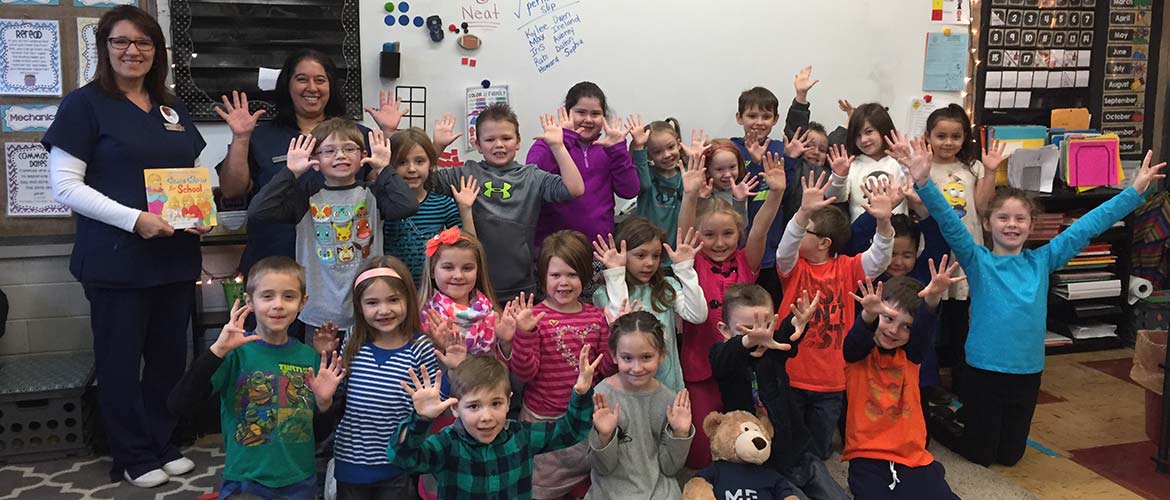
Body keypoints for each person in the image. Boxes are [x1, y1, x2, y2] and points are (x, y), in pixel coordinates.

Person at [908, 139, 1166, 467]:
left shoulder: (1042, 260)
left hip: (1027, 372)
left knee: (1010, 457)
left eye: (1019, 219)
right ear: (988, 224)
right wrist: (924, 181)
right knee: (981, 455)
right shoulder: (978, 260)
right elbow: (949, 222)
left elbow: (1087, 227)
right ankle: (940, 419)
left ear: (1031, 226)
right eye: (1003, 218)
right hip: (982, 371)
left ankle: (976, 425)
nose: (1011, 225)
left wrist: (1134, 191)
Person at [43, 5, 207, 487]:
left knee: (167, 359)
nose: (133, 51)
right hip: (116, 260)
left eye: (144, 43)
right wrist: (135, 220)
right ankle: (132, 454)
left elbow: (187, 179)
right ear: (105, 48)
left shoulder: (169, 108)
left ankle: (162, 441)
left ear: (157, 52)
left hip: (174, 259)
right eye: (121, 42)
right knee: (119, 360)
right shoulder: (83, 104)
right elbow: (65, 187)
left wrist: (194, 214)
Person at [215, 50, 441, 289]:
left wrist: (387, 135)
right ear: (287, 85)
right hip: (274, 265)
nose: (311, 87)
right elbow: (232, 191)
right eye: (302, 79)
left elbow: (381, 191)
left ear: (331, 86)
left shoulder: (357, 137)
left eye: (320, 80)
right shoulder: (262, 137)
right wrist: (241, 137)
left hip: (341, 269)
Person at [168, 256, 345, 499]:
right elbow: (179, 404)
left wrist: (324, 405)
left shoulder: (310, 358)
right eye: (267, 296)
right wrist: (217, 350)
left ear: (303, 302)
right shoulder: (235, 354)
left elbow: (319, 433)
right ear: (249, 300)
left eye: (289, 296)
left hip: (299, 481)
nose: (278, 305)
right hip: (245, 482)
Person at [246, 118, 418, 333]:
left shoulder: (373, 194)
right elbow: (258, 213)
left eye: (349, 149)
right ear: (315, 161)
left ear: (363, 156)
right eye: (329, 151)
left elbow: (408, 206)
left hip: (369, 310)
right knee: (323, 367)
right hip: (319, 313)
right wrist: (291, 172)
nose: (340, 155)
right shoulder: (305, 197)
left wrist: (384, 167)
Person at [774, 172, 896, 461]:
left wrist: (884, 222)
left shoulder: (847, 268)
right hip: (791, 375)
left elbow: (879, 258)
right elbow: (785, 247)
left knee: (818, 450)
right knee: (786, 446)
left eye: (807, 230)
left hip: (831, 382)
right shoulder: (794, 268)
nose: (799, 232)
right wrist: (803, 213)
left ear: (823, 242)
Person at [676, 151, 786, 469]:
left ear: (738, 235)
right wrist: (689, 195)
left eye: (728, 234)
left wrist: (776, 194)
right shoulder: (692, 262)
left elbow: (760, 231)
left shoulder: (745, 261)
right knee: (700, 455)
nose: (720, 242)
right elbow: (684, 235)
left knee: (745, 446)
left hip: (742, 371)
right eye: (709, 235)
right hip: (701, 368)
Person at [387, 350, 601, 500]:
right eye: (473, 407)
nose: (486, 416)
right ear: (455, 409)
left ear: (509, 402)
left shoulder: (520, 435)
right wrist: (420, 419)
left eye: (496, 403)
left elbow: (571, 431)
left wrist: (581, 394)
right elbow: (401, 458)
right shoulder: (446, 444)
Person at [427, 104, 585, 302]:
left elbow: (575, 189)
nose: (499, 144)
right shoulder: (465, 173)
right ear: (477, 144)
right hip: (473, 287)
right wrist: (437, 147)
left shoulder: (532, 176)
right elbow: (422, 181)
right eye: (490, 139)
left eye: (506, 138)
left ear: (518, 141)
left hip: (521, 288)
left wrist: (558, 147)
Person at [331, 257, 459, 498]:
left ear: (408, 301)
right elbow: (337, 392)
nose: (384, 310)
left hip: (398, 464)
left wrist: (452, 370)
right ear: (359, 306)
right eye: (372, 302)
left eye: (393, 299)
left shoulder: (420, 346)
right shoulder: (354, 338)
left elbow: (437, 401)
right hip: (350, 462)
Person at [709, 286, 848, 500]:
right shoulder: (724, 357)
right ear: (725, 330)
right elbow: (722, 360)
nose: (761, 335)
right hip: (758, 463)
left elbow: (786, 338)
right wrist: (747, 342)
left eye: (766, 327)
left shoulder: (772, 352)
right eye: (748, 329)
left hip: (796, 450)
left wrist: (797, 322)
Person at [508, 230, 618, 498]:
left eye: (572, 274)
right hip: (542, 420)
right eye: (555, 275)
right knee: (542, 488)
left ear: (585, 276)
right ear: (543, 277)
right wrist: (523, 333)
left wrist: (617, 332)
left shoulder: (596, 316)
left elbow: (608, 370)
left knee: (586, 481)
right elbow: (524, 372)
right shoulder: (534, 317)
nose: (564, 282)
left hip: (583, 419)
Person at [842, 271, 962, 499]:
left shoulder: (911, 356)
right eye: (888, 318)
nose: (894, 330)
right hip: (868, 457)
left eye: (907, 326)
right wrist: (868, 316)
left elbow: (924, 331)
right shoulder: (857, 356)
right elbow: (853, 344)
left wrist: (933, 298)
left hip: (914, 456)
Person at [729, 68, 817, 303]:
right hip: (735, 250)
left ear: (775, 119)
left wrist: (800, 98)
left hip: (772, 251)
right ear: (739, 117)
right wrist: (754, 164)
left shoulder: (780, 149)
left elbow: (787, 191)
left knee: (771, 309)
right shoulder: (731, 149)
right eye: (752, 116)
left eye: (766, 117)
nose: (759, 122)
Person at [585, 312, 694, 500]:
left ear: (661, 355)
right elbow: (603, 468)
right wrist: (604, 437)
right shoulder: (602, 396)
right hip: (611, 492)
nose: (636, 368)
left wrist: (680, 434)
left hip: (660, 491)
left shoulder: (668, 399)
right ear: (614, 356)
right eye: (627, 358)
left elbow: (670, 468)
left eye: (646, 357)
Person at [592, 218, 709, 392]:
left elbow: (697, 315)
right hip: (629, 389)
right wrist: (615, 273)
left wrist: (685, 269)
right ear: (622, 255)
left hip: (669, 387)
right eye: (640, 255)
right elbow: (622, 326)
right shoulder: (605, 294)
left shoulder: (666, 286)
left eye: (656, 256)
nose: (649, 263)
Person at [529, 82, 640, 244]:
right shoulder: (546, 145)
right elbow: (534, 182)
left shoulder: (607, 150)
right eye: (581, 112)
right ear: (567, 113)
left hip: (600, 248)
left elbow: (630, 191)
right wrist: (563, 142)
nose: (588, 120)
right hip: (557, 249)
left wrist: (618, 152)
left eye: (595, 114)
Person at [383, 123, 478, 286]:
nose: (411, 169)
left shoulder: (444, 205)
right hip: (394, 289)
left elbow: (470, 248)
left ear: (431, 164)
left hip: (433, 292)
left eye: (420, 161)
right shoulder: (382, 204)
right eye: (402, 162)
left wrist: (465, 209)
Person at [418, 228, 510, 356]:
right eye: (448, 267)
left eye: (467, 268)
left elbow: (504, 369)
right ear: (432, 271)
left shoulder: (492, 314)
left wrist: (506, 343)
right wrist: (440, 347)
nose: (458, 275)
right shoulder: (425, 317)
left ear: (478, 272)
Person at [624, 117, 706, 250]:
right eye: (657, 152)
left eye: (671, 147)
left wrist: (695, 158)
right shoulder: (647, 174)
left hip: (677, 248)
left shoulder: (685, 176)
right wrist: (638, 147)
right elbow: (644, 185)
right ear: (649, 155)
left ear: (679, 144)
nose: (667, 155)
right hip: (648, 249)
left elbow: (699, 200)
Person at [824, 103, 908, 221]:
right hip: (863, 234)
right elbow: (833, 197)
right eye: (857, 135)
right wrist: (839, 177)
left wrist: (908, 164)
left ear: (883, 130)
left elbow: (917, 194)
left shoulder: (898, 162)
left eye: (869, 132)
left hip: (901, 234)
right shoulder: (851, 165)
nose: (863, 140)